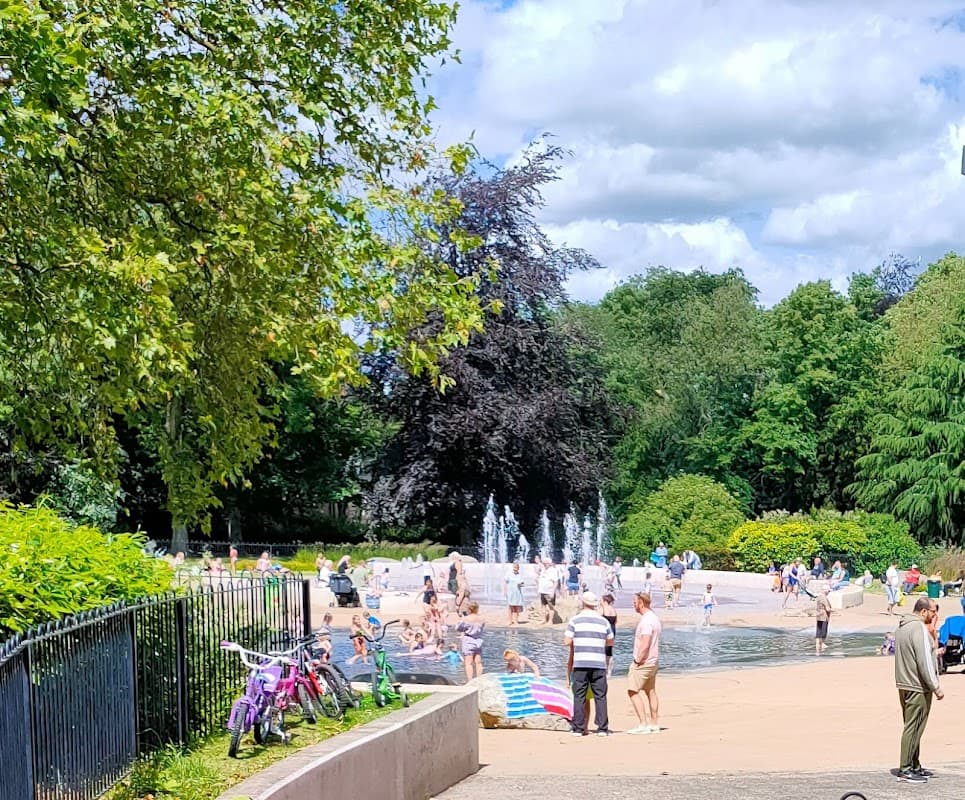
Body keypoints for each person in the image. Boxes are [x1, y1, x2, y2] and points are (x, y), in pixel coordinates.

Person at [893, 597, 943, 783]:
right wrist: (935, 687)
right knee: (913, 727)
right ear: (923, 611)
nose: (934, 615)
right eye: (932, 612)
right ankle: (906, 768)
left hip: (904, 683)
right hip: (917, 686)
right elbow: (924, 662)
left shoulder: (902, 628)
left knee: (912, 726)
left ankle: (914, 764)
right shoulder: (919, 628)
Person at [564, 591, 614, 737]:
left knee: (579, 695)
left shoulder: (575, 620)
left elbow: (566, 641)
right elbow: (610, 641)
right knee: (600, 696)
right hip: (598, 663)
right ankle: (602, 728)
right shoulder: (603, 621)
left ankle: (578, 727)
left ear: (582, 603)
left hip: (580, 662)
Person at [627, 591, 662, 734]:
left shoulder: (647, 621)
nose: (633, 605)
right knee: (650, 691)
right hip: (653, 662)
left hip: (644, 662)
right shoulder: (654, 618)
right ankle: (654, 723)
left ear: (641, 603)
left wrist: (638, 660)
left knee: (632, 691)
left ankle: (643, 724)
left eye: (634, 602)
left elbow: (645, 642)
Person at [457, 602, 485, 681]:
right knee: (478, 662)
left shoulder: (466, 619)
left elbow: (458, 628)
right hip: (478, 641)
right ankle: (479, 679)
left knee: (468, 663)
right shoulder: (481, 619)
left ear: (469, 609)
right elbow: (482, 627)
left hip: (468, 641)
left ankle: (470, 681)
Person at [537, 560, 559, 625]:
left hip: (549, 591)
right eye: (543, 563)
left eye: (545, 563)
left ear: (549, 563)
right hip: (542, 591)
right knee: (543, 606)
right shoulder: (543, 570)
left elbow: (556, 582)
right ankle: (544, 619)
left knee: (551, 606)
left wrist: (553, 592)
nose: (544, 564)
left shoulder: (553, 570)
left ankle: (550, 621)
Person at [600, 593, 618, 676]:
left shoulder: (604, 609)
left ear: (605, 601)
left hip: (605, 630)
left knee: (602, 651)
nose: (600, 601)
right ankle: (609, 672)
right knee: (609, 651)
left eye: (601, 600)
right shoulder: (614, 610)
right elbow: (615, 622)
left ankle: (603, 670)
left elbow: (600, 621)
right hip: (613, 630)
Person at [815, 585, 832, 655]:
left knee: (818, 633)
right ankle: (822, 645)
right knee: (823, 633)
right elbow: (827, 609)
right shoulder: (824, 598)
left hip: (818, 616)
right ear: (825, 590)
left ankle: (817, 650)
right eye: (828, 591)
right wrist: (833, 610)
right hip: (824, 617)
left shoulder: (819, 597)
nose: (829, 592)